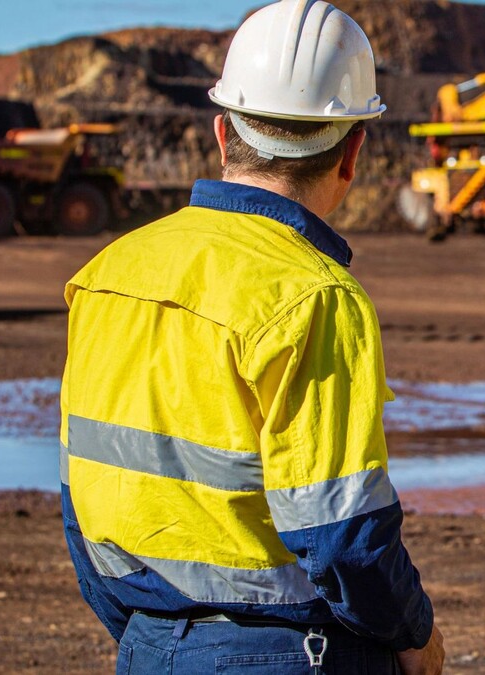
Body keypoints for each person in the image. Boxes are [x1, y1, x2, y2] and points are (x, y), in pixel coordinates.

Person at [58, 1, 444, 673]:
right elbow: (341, 534)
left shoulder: (107, 274)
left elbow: (82, 504)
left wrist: (155, 633)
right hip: (291, 653)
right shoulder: (316, 296)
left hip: (148, 644)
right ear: (352, 151)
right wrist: (414, 635)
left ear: (221, 130)